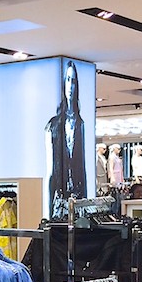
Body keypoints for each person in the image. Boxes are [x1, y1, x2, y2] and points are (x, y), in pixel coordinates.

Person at [46, 61, 86, 218]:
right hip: (59, 198)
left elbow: (83, 168)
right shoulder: (53, 125)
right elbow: (50, 172)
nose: (70, 86)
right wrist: (49, 209)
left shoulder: (80, 124)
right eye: (67, 80)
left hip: (78, 196)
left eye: (73, 81)